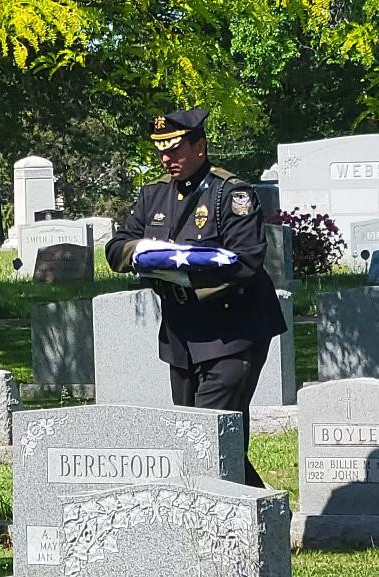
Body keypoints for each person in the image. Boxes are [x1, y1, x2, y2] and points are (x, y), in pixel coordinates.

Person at [104, 108, 287, 488]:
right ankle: (258, 514)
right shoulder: (154, 195)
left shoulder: (230, 194)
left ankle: (249, 516)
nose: (166, 158)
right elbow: (117, 247)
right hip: (182, 335)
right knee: (195, 433)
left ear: (199, 147)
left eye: (175, 149)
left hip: (233, 330)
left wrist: (183, 272)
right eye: (161, 151)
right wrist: (146, 253)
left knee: (208, 433)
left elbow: (247, 259)